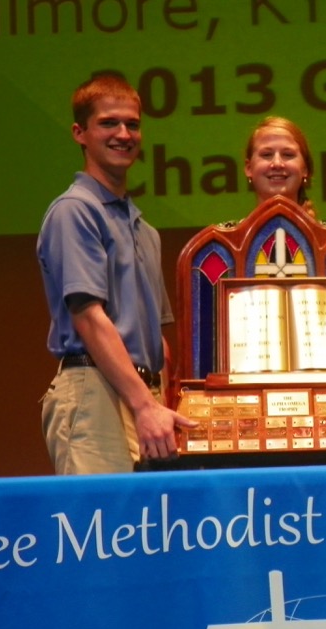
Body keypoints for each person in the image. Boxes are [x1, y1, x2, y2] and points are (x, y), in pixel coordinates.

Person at [36, 74, 194, 474]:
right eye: (109, 123)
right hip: (96, 389)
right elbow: (89, 317)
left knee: (152, 515)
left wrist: (162, 402)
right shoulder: (75, 210)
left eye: (132, 125)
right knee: (102, 515)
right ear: (80, 133)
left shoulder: (144, 229)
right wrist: (145, 405)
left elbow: (158, 339)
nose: (123, 134)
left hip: (144, 395)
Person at [243, 116, 317, 218]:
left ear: (305, 169)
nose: (277, 164)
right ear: (249, 168)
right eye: (266, 155)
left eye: (288, 155)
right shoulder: (226, 229)